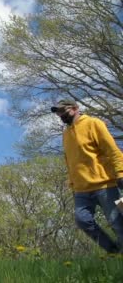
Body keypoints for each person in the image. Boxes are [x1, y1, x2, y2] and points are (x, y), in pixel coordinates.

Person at [51, 99, 123, 253]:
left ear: (76, 108)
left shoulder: (93, 123)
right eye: (59, 113)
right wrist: (72, 182)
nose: (61, 115)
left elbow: (113, 150)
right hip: (81, 189)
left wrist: (121, 173)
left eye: (64, 111)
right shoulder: (66, 134)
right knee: (82, 220)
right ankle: (114, 251)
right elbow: (69, 160)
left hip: (104, 185)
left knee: (116, 222)